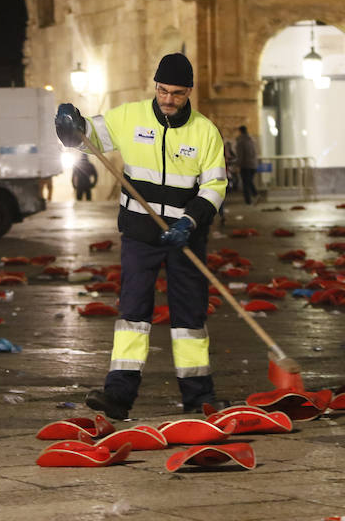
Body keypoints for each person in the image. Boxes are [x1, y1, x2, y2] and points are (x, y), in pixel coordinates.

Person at [54, 52, 228, 419]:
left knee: (189, 319)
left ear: (189, 92)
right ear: (155, 87)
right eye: (163, 91)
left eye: (177, 94)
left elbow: (214, 185)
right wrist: (70, 127)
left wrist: (190, 222)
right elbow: (88, 139)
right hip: (140, 235)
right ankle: (119, 394)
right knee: (132, 313)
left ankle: (199, 397)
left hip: (185, 238)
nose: (168, 99)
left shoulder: (205, 132)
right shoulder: (128, 117)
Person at [235, 125, 258, 205]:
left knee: (246, 183)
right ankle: (255, 194)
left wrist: (238, 165)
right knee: (249, 181)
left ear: (240, 131)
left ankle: (248, 200)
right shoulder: (252, 140)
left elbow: (240, 155)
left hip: (245, 165)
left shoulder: (241, 141)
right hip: (253, 165)